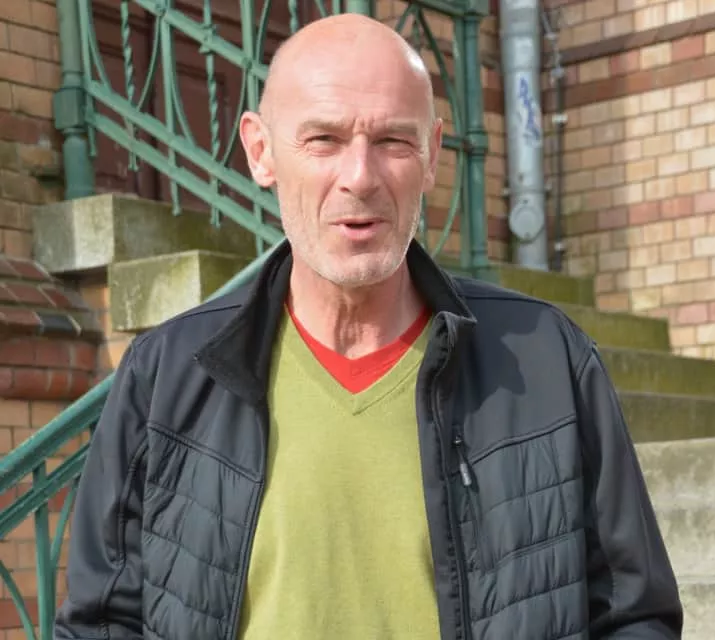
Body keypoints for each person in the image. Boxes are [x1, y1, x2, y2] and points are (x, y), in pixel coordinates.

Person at [55, 12, 683, 640]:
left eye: (392, 141)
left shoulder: (547, 362)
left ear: (432, 154)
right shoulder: (165, 377)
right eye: (323, 140)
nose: (360, 176)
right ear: (261, 151)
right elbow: (101, 623)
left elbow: (634, 616)